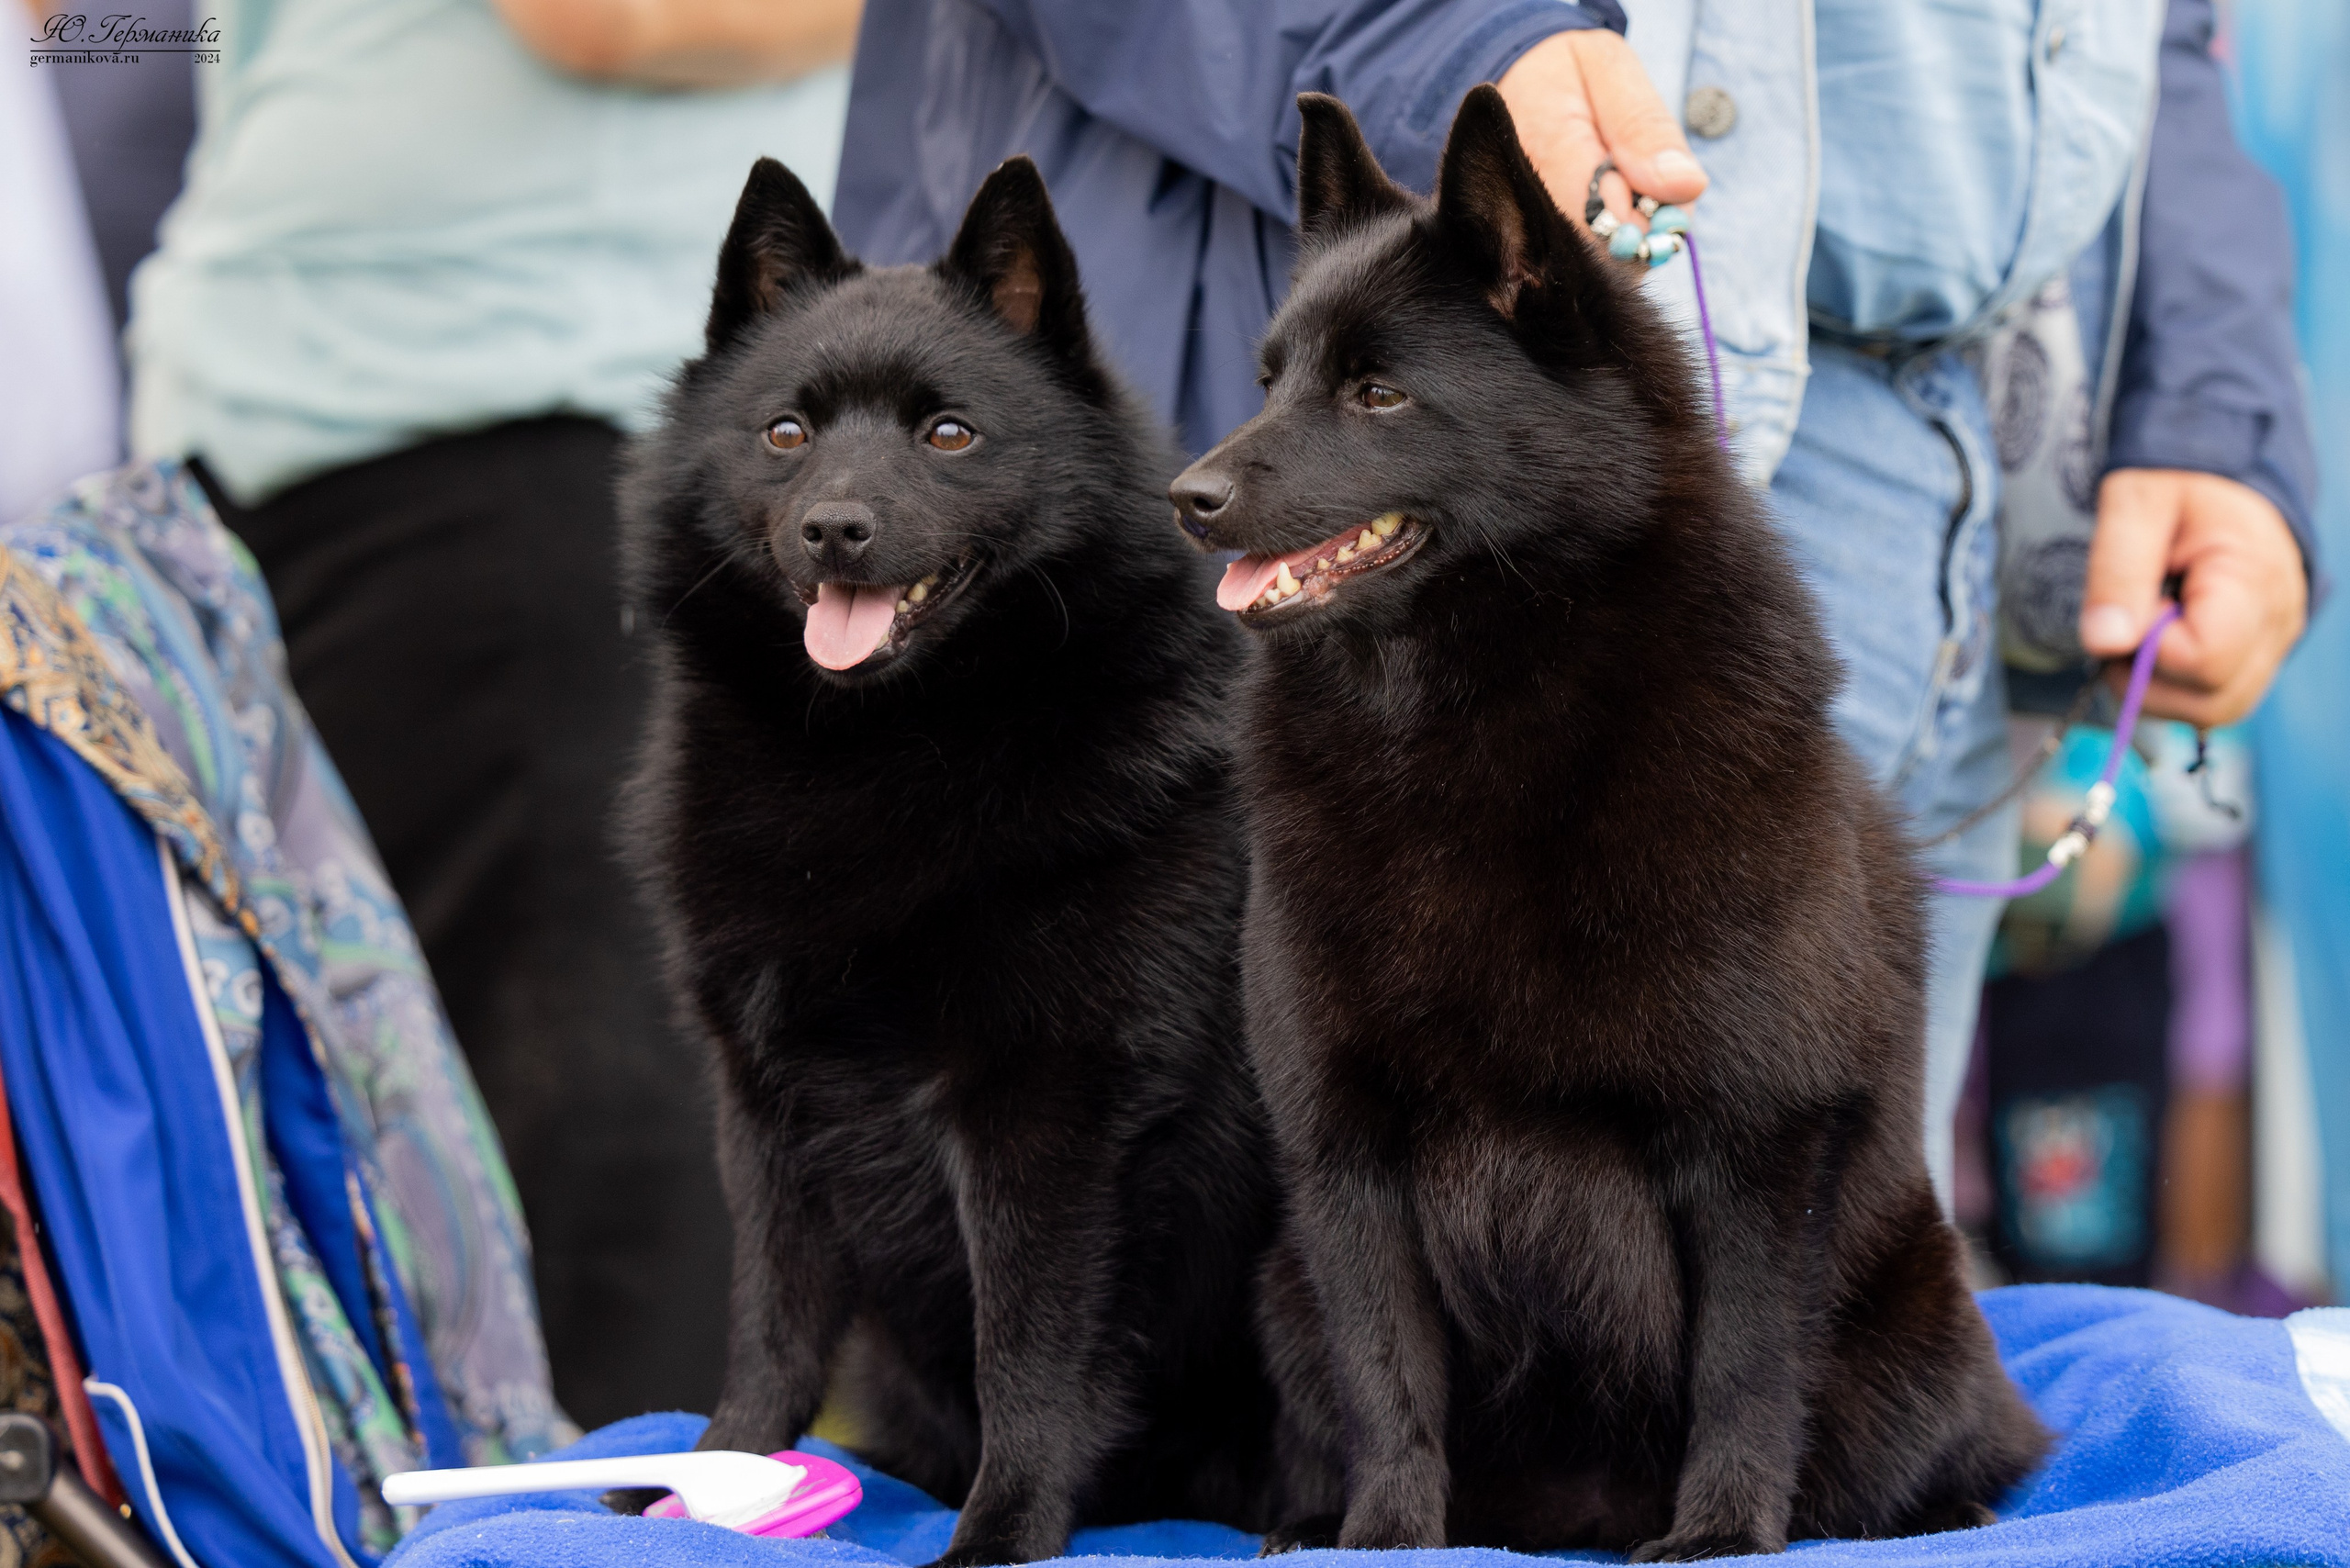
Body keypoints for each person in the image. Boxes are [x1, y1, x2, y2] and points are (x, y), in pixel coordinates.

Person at [832, 0, 2316, 1206]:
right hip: (1460, 500)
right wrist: (1438, 28)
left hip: (1971, 475)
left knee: (1786, 1313)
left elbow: (2163, 41)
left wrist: (2210, 411)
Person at [127, 0, 861, 1424]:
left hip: (317, 447)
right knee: (576, 1198)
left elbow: (103, 26)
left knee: (401, 1180)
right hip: (475, 453)